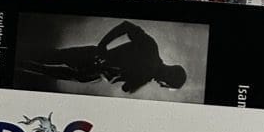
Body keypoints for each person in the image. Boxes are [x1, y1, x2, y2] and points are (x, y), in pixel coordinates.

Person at [18, 20, 187, 94]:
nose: (161, 85)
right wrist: (102, 46)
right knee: (49, 61)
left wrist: (103, 48)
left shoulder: (148, 65)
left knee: (49, 66)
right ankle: (17, 55)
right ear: (169, 76)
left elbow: (124, 87)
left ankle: (17, 61)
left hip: (92, 73)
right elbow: (126, 26)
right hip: (92, 60)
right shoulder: (150, 49)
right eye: (166, 84)